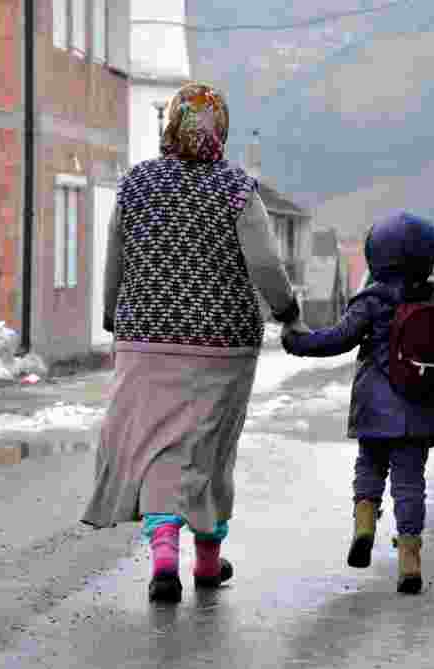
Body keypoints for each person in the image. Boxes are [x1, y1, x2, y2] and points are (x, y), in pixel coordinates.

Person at [81, 82, 307, 604]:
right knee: (209, 447)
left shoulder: (136, 184)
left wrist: (112, 315)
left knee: (158, 444)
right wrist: (287, 313)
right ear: (220, 129)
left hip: (144, 339)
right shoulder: (235, 188)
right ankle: (207, 560)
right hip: (222, 343)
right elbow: (266, 265)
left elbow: (114, 257)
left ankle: (164, 555)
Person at [282, 212, 434, 594]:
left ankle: (364, 524)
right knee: (410, 483)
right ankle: (409, 557)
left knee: (370, 464)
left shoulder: (371, 300)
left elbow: (337, 339)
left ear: (375, 256)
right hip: (421, 402)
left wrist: (297, 341)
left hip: (375, 404)